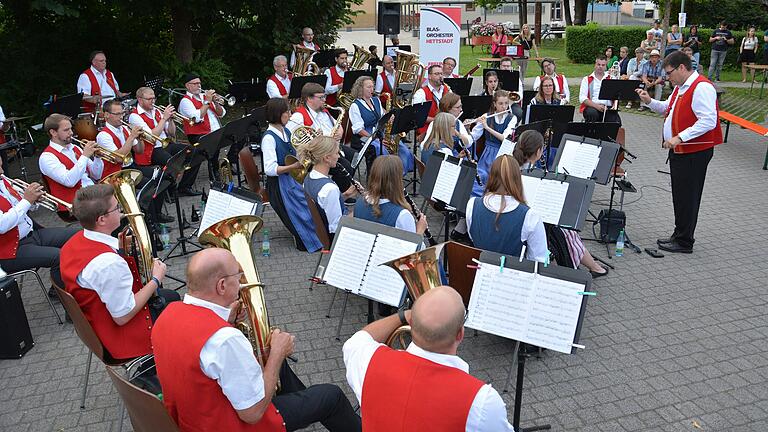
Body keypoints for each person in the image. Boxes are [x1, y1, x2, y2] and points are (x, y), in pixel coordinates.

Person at [152, 248, 361, 432]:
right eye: (238, 275)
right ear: (222, 286)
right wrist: (278, 353)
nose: (243, 281)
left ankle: (305, 407)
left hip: (193, 417)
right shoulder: (225, 339)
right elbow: (252, 413)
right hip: (233, 424)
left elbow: (198, 350)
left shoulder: (168, 313)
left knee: (279, 366)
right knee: (331, 396)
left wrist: (227, 320)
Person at [342, 285, 514, 431]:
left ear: (411, 322)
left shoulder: (368, 361)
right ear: (460, 334)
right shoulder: (482, 401)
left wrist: (402, 315)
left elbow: (359, 338)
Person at [61, 184, 179, 360]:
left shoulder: (75, 241)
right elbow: (123, 316)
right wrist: (155, 278)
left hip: (97, 319)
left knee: (170, 296)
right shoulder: (109, 264)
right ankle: (157, 365)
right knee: (178, 308)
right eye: (117, 208)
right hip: (120, 335)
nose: (121, 210)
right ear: (101, 219)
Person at [636, 50, 722, 254]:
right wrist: (649, 101)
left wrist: (679, 137)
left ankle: (685, 241)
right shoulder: (681, 87)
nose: (667, 77)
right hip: (681, 151)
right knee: (680, 195)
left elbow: (709, 120)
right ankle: (679, 233)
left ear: (682, 68)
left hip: (694, 152)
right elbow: (668, 108)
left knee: (688, 196)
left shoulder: (701, 87)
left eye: (669, 73)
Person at [512, 131, 608, 276]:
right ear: (538, 152)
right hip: (530, 219)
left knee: (566, 232)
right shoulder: (531, 172)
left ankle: (591, 265)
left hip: (519, 214)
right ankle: (588, 268)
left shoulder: (512, 167)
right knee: (568, 232)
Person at [0, 156, 79, 291]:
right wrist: (27, 200)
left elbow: (23, 208)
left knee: (77, 235)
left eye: (1, 166)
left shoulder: (4, 182)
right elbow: (2, 225)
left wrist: (35, 201)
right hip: (10, 251)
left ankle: (79, 283)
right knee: (58, 256)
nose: (2, 172)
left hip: (33, 234)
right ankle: (66, 299)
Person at [261, 98, 322, 252]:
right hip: (280, 186)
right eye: (287, 111)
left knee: (310, 205)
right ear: (277, 114)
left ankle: (316, 235)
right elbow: (269, 169)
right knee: (303, 209)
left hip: (292, 178)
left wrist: (314, 141)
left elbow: (297, 150)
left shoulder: (286, 130)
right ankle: (304, 238)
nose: (290, 114)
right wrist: (294, 166)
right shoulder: (269, 138)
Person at [466, 154, 547, 261]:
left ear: (491, 176)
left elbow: (473, 237)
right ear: (518, 178)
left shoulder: (472, 205)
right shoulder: (530, 216)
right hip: (513, 275)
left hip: (480, 272)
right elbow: (538, 260)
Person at [129, 86, 202, 196]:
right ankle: (171, 192)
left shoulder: (157, 110)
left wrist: (171, 120)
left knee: (195, 152)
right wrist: (164, 119)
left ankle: (185, 186)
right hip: (151, 149)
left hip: (166, 144)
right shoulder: (134, 116)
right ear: (140, 99)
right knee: (173, 163)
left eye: (154, 98)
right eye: (149, 99)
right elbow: (151, 136)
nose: (153, 101)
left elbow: (172, 133)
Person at [287, 82, 355, 197]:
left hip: (331, 148)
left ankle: (343, 185)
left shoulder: (324, 112)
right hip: (317, 155)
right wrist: (317, 140)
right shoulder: (298, 117)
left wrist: (340, 132)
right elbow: (293, 140)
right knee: (345, 166)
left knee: (354, 157)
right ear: (309, 99)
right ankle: (342, 194)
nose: (324, 100)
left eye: (324, 96)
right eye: (321, 97)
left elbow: (338, 126)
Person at [349, 76, 414, 174]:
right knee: (381, 149)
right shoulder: (355, 106)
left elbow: (382, 116)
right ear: (360, 88)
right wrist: (374, 138)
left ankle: (399, 174)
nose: (372, 89)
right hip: (365, 135)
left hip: (380, 131)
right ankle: (385, 175)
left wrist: (390, 117)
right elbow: (358, 130)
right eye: (368, 87)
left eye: (372, 87)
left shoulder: (376, 100)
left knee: (402, 148)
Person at [38, 114, 103, 212]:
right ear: (53, 132)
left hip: (92, 194)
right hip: (74, 205)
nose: (71, 133)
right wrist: (85, 156)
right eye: (66, 130)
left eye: (71, 129)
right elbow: (69, 181)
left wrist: (97, 158)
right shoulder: (47, 157)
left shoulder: (75, 148)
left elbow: (96, 175)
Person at [353, 155, 427, 234]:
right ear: (397, 181)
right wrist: (420, 230)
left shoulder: (359, 203)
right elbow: (412, 246)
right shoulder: (402, 216)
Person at [178, 73, 226, 181]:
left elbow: (222, 113)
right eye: (195, 84)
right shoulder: (185, 101)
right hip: (197, 134)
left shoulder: (205, 97)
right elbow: (197, 118)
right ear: (187, 86)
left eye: (199, 83)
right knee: (209, 146)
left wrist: (216, 102)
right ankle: (213, 173)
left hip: (214, 131)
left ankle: (220, 168)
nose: (198, 86)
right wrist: (208, 101)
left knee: (236, 136)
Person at [469, 90, 515, 194]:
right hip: (488, 154)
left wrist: (487, 128)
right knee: (480, 179)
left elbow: (504, 138)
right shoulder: (486, 116)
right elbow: (473, 137)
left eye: (506, 103)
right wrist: (467, 128)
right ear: (494, 104)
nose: (504, 107)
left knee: (499, 183)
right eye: (500, 103)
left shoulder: (512, 118)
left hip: (502, 154)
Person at [300, 136, 346, 239]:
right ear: (326, 158)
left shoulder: (308, 177)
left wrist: (345, 195)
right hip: (332, 238)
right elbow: (336, 226)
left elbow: (322, 204)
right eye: (336, 153)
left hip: (318, 232)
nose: (338, 156)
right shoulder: (330, 189)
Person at [420, 93, 473, 162]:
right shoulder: (435, 124)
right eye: (458, 107)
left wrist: (458, 157)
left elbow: (468, 143)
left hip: (444, 162)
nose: (461, 110)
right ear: (448, 108)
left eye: (461, 106)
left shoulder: (458, 123)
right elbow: (424, 146)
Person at [578, 55, 621, 124]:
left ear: (606, 66)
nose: (600, 67)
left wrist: (614, 105)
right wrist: (597, 106)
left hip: (608, 107)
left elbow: (617, 95)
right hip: (593, 106)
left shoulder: (611, 78)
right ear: (595, 65)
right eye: (598, 64)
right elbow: (582, 98)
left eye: (603, 65)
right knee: (592, 114)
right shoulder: (586, 79)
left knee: (616, 121)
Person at [412, 64, 450, 138]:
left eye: (441, 74)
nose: (440, 76)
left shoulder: (447, 90)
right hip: (428, 131)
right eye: (437, 74)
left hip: (446, 128)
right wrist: (438, 121)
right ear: (429, 76)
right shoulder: (421, 93)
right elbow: (418, 116)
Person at [498, 57, 525, 121]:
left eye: (508, 66)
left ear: (511, 67)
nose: (506, 68)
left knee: (518, 113)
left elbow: (520, 94)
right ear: (500, 66)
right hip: (497, 103)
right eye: (504, 66)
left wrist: (511, 96)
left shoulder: (516, 78)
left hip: (511, 103)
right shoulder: (495, 77)